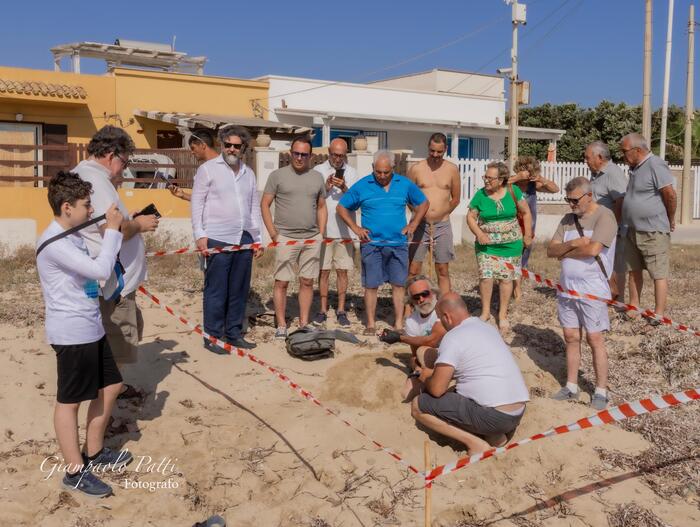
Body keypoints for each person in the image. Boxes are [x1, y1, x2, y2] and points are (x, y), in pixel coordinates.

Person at [37, 172, 133, 497]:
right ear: (67, 207)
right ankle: (75, 472)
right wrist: (113, 233)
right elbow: (99, 270)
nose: (91, 211)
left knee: (112, 384)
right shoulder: (55, 242)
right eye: (86, 205)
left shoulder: (73, 236)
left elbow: (90, 276)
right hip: (71, 332)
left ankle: (95, 453)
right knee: (69, 403)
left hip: (89, 325)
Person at [74, 125, 158, 401]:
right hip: (112, 284)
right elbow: (114, 231)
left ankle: (113, 390)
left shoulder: (86, 176)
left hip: (106, 279)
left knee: (117, 340)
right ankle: (105, 406)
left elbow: (105, 222)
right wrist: (140, 224)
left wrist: (128, 216)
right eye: (125, 161)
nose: (125, 168)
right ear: (111, 154)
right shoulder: (96, 181)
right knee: (117, 345)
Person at [410, 293, 529, 454]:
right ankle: (495, 437)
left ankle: (475, 444)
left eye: (439, 318)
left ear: (447, 317)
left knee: (418, 405)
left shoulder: (453, 337)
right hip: (517, 411)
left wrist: (425, 377)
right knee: (456, 392)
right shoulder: (486, 327)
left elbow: (437, 389)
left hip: (494, 416)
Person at [337, 150, 429, 334]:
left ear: (393, 169)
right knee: (371, 285)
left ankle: (399, 323)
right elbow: (342, 207)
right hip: (372, 245)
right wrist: (356, 228)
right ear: (373, 168)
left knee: (398, 285)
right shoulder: (363, 185)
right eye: (378, 172)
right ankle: (370, 324)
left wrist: (413, 224)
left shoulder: (404, 184)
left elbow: (423, 203)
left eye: (386, 172)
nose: (382, 176)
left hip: (398, 244)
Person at [547, 177, 617, 410]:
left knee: (594, 338)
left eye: (575, 200)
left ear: (589, 196)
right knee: (571, 337)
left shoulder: (605, 216)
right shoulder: (568, 220)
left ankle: (600, 390)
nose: (571, 204)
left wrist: (564, 252)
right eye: (568, 199)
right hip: (567, 290)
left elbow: (594, 249)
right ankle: (571, 386)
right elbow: (550, 249)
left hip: (592, 289)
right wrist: (574, 244)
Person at [191, 125, 263, 352]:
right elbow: (196, 204)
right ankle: (212, 336)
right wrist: (200, 235)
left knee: (239, 289)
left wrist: (257, 237)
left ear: (243, 148)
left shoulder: (248, 173)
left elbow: (253, 207)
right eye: (228, 144)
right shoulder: (207, 170)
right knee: (216, 290)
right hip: (217, 238)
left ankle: (233, 333)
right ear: (222, 145)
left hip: (244, 238)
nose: (232, 149)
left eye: (236, 146)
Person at [261, 136, 328, 339]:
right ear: (291, 153)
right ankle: (281, 324)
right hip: (285, 238)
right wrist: (273, 234)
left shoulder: (317, 177)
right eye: (296, 153)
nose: (299, 157)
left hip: (311, 239)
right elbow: (265, 204)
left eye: (304, 154)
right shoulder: (277, 176)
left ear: (310, 156)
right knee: (282, 282)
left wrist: (321, 233)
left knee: (307, 281)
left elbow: (322, 206)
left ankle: (304, 322)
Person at [467, 161, 532, 332]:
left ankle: (502, 315)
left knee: (505, 279)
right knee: (486, 277)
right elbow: (471, 217)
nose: (486, 181)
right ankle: (486, 312)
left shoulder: (513, 191)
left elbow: (526, 213)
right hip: (486, 246)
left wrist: (527, 235)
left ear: (501, 179)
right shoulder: (480, 195)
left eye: (490, 178)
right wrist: (479, 234)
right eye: (485, 177)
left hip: (511, 244)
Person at [619, 133, 677, 319]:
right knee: (633, 270)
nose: (622, 155)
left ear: (637, 150)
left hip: (652, 230)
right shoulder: (635, 169)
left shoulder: (655, 164)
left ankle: (658, 313)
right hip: (632, 229)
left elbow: (670, 194)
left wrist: (671, 218)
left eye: (625, 151)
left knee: (657, 273)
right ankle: (634, 306)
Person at [312, 138, 359, 327]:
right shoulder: (318, 171)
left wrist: (344, 187)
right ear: (328, 153)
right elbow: (312, 199)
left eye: (341, 155)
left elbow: (357, 200)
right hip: (324, 230)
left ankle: (341, 310)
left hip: (345, 230)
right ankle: (322, 309)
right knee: (323, 271)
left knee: (342, 271)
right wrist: (326, 188)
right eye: (334, 154)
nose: (337, 159)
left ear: (345, 154)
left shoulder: (353, 172)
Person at [407, 133, 460, 294]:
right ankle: (410, 308)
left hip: (442, 226)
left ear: (445, 149)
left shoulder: (452, 169)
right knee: (414, 269)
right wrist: (418, 216)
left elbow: (455, 199)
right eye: (432, 151)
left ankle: (444, 306)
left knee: (442, 269)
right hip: (419, 225)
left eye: (439, 152)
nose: (435, 155)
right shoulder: (416, 168)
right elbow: (407, 197)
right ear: (428, 147)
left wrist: (441, 215)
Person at [379, 275, 447, 400]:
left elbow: (432, 340)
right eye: (416, 297)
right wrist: (416, 369)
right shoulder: (411, 321)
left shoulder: (442, 308)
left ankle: (438, 385)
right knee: (406, 393)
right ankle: (431, 382)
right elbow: (414, 355)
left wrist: (400, 338)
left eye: (425, 294)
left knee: (423, 351)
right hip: (431, 363)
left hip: (451, 359)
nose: (421, 299)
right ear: (411, 300)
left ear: (433, 292)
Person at [509, 156, 559, 301]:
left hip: (529, 227)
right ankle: (513, 288)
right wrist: (517, 177)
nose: (526, 177)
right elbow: (498, 183)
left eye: (529, 173)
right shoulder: (511, 184)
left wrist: (541, 179)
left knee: (524, 255)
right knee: (512, 255)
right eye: (524, 172)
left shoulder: (533, 185)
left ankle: (517, 286)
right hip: (512, 225)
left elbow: (555, 189)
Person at [585, 140, 628, 301]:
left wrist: (612, 227)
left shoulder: (613, 173)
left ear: (600, 157)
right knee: (602, 262)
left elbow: (621, 201)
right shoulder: (596, 174)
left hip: (612, 229)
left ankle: (619, 300)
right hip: (600, 228)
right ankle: (605, 295)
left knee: (616, 265)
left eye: (588, 157)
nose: (586, 161)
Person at [169, 128, 219, 202]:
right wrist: (183, 195)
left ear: (203, 145)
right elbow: (202, 200)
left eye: (193, 148)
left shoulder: (217, 167)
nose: (192, 152)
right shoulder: (208, 167)